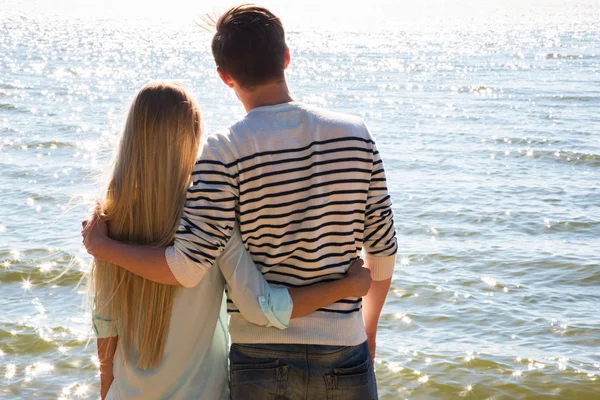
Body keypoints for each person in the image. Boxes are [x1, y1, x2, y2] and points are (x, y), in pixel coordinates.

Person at [83, 4, 397, 399]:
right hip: (344, 347)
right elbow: (382, 251)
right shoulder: (356, 134)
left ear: (225, 77)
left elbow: (185, 265)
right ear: (286, 57)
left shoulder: (224, 150)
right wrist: (367, 330)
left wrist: (104, 247)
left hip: (259, 357)